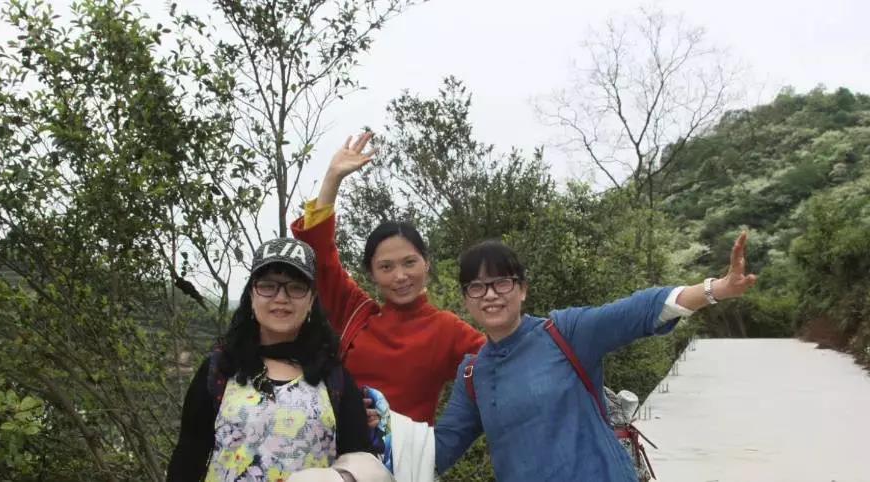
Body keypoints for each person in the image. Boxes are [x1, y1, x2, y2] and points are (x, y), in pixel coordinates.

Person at [434, 234, 758, 481]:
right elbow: (441, 448)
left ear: (522, 289)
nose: (490, 295)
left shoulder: (563, 333)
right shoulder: (473, 373)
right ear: (465, 299)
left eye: (502, 283)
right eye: (477, 287)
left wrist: (717, 289)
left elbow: (639, 310)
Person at [291, 132, 485, 425]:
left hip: (406, 454)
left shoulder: (447, 329)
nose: (400, 276)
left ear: (426, 263)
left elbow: (500, 365)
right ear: (371, 273)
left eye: (409, 262)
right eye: (386, 267)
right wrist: (332, 178)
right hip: (342, 445)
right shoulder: (357, 313)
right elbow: (320, 255)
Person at [166, 238, 385, 481]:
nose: (281, 297)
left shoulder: (333, 377)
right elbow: (188, 457)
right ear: (252, 294)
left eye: (296, 287)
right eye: (268, 286)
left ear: (311, 300)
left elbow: (359, 462)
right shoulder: (220, 369)